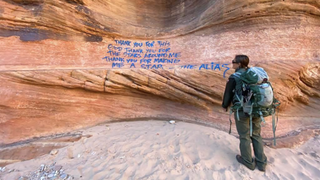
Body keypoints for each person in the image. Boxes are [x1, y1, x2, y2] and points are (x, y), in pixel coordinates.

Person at [222, 55, 267, 171]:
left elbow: (228, 94)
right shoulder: (255, 74)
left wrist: (225, 106)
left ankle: (248, 162)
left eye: (234, 62)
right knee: (256, 134)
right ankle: (261, 163)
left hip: (242, 110)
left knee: (244, 135)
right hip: (257, 109)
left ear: (239, 64)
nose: (232, 63)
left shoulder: (235, 77)